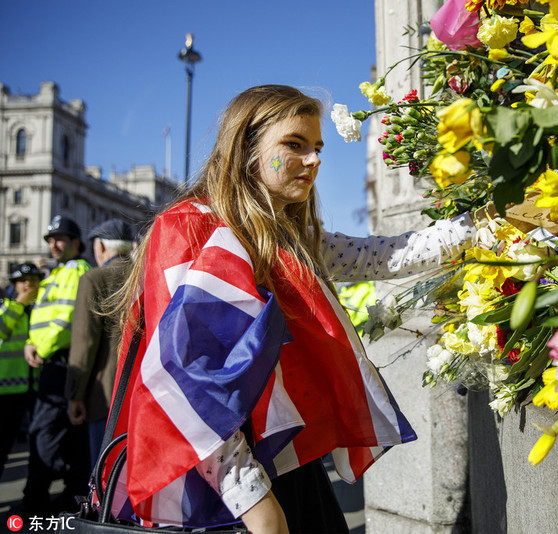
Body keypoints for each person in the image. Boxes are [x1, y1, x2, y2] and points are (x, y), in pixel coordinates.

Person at [105, 85, 476, 534]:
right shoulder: (189, 227)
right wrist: (252, 499)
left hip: (278, 461)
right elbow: (186, 379)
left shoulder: (281, 235)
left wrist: (484, 224)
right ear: (245, 149)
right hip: (220, 483)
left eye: (317, 147)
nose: (314, 159)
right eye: (295, 145)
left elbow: (382, 255)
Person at [23, 215, 92, 516]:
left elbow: (67, 319)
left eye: (60, 238)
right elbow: (42, 317)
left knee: (44, 432)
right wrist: (30, 343)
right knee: (69, 435)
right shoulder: (56, 273)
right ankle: (70, 497)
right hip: (50, 360)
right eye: (50, 239)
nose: (53, 244)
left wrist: (40, 347)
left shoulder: (76, 270)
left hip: (61, 362)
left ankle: (34, 501)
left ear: (76, 242)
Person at [66, 219, 135, 468]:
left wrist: (74, 395)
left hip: (105, 396)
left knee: (106, 471)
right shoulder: (146, 273)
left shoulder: (94, 279)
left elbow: (84, 343)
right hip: (143, 392)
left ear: (102, 246)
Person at [0, 263, 44, 479]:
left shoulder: (42, 309)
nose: (28, 285)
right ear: (15, 285)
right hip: (7, 390)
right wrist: (19, 304)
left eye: (33, 280)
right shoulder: (7, 307)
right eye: (23, 281)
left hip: (36, 386)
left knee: (39, 443)